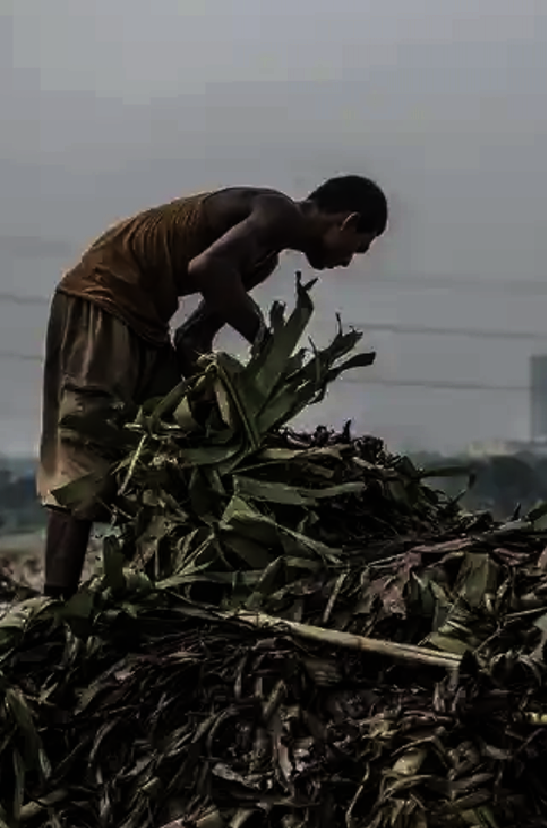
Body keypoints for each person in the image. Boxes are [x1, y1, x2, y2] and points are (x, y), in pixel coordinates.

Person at [38, 176, 389, 599]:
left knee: (171, 446)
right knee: (86, 450)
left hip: (147, 323)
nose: (348, 262)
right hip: (102, 301)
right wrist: (269, 345)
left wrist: (228, 407)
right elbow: (206, 268)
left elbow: (191, 339)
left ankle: (154, 583)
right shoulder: (276, 211)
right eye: (358, 247)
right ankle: (55, 604)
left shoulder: (263, 259)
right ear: (346, 222)